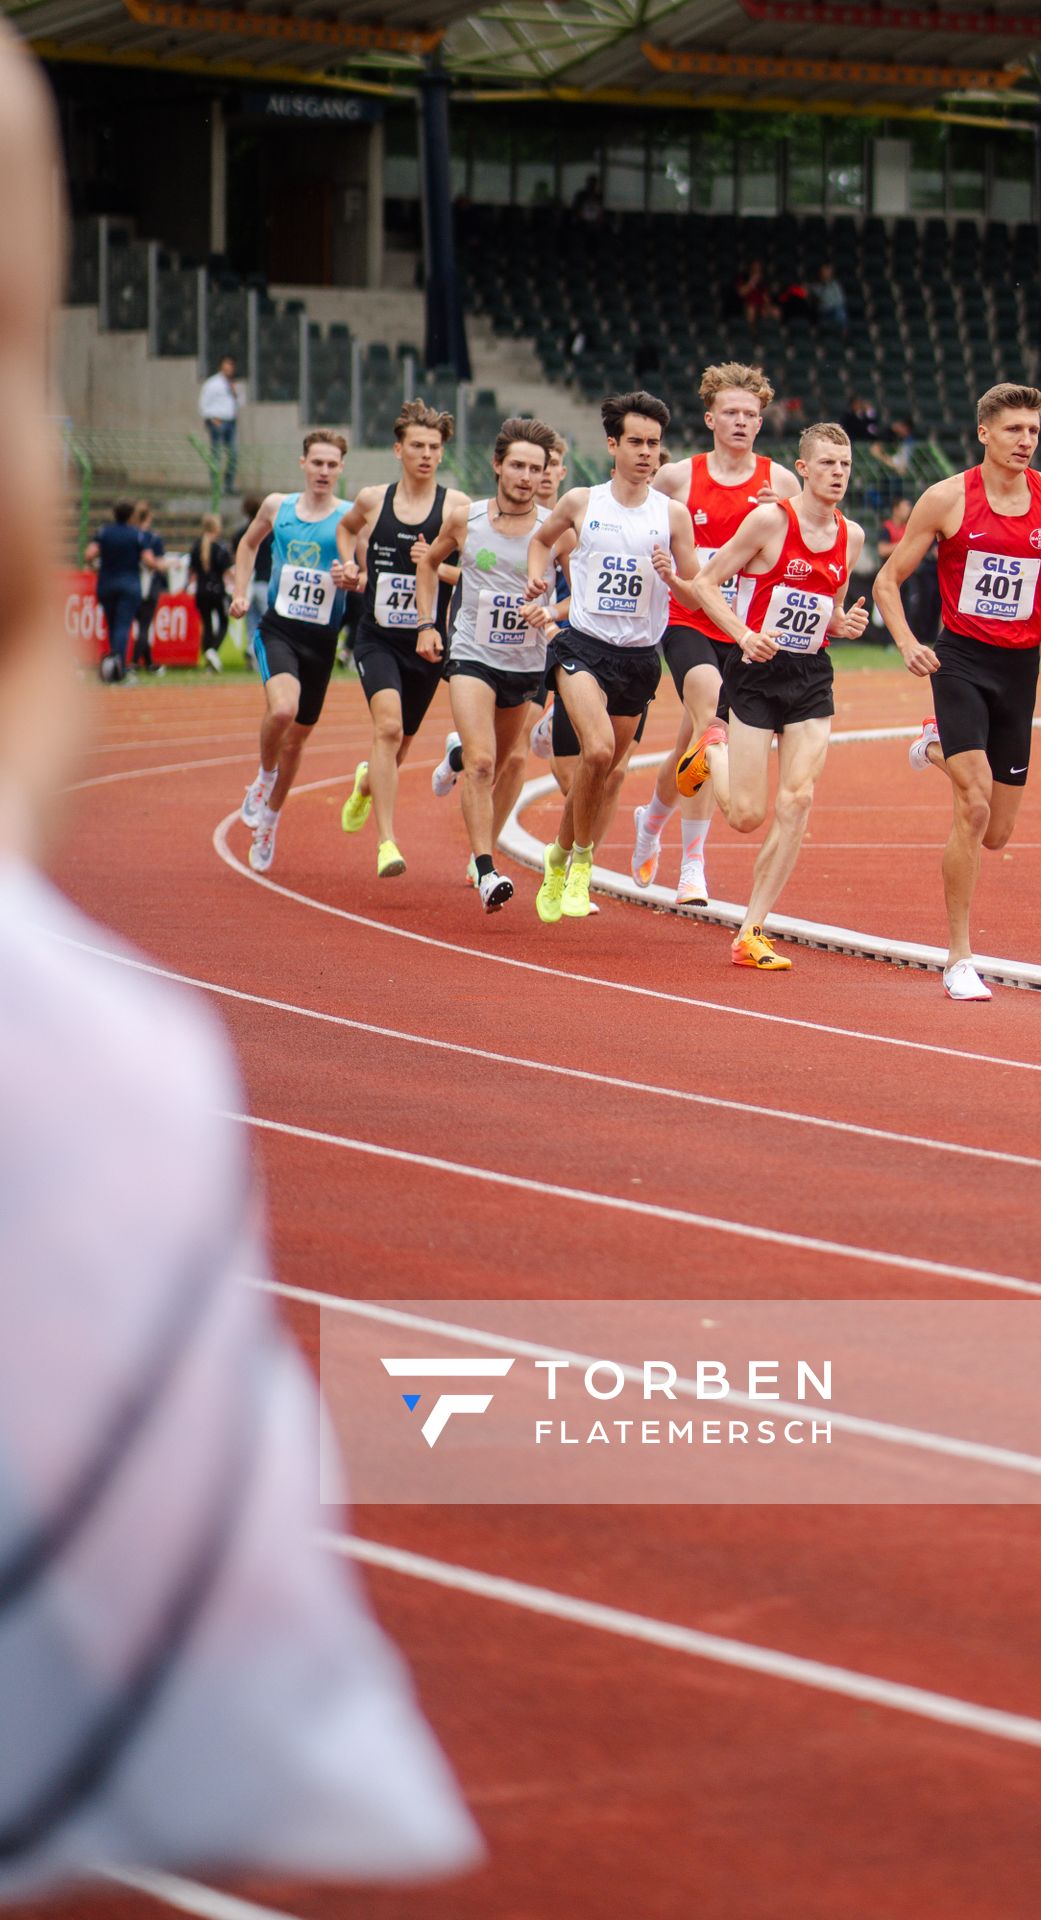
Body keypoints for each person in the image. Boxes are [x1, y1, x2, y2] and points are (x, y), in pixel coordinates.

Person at [0, 27, 482, 1900]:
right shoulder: (101, 1087)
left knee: (362, 726)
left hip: (393, 659)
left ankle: (354, 796)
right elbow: (297, 1781)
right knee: (284, 719)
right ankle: (299, 803)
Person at [872, 381, 1041, 1002]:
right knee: (973, 806)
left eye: (1034, 432)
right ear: (984, 433)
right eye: (1015, 430)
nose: (1027, 441)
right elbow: (888, 581)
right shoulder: (945, 499)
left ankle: (933, 746)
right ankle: (960, 957)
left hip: (1021, 670)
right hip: (960, 660)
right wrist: (910, 643)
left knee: (997, 832)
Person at [673, 423, 868, 971]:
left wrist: (843, 623)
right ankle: (712, 746)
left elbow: (827, 604)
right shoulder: (769, 520)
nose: (838, 474)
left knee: (798, 799)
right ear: (803, 468)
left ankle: (752, 930)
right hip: (755, 672)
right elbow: (707, 583)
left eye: (846, 465)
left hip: (810, 676)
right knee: (745, 816)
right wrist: (742, 635)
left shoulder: (850, 535)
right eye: (827, 464)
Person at [525, 389, 701, 922]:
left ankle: (556, 854)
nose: (646, 452)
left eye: (654, 443)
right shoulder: (582, 501)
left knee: (606, 771)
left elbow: (696, 588)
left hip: (639, 659)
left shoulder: (672, 516)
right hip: (582, 646)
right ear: (612, 445)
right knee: (597, 751)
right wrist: (537, 571)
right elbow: (542, 539)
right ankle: (582, 864)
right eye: (635, 442)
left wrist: (675, 577)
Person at [631, 362, 800, 906]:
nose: (741, 422)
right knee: (711, 727)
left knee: (689, 747)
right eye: (731, 413)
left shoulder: (781, 482)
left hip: (747, 631)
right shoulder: (679, 476)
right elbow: (636, 517)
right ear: (710, 418)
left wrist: (783, 521)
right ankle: (694, 866)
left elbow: (800, 549)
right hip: (687, 620)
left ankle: (652, 819)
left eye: (751, 415)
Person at [416, 418, 572, 914]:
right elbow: (428, 563)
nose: (527, 476)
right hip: (471, 654)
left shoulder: (555, 532)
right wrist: (426, 624)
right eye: (518, 466)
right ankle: (485, 870)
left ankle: (455, 757)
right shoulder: (467, 519)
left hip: (526, 664)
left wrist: (551, 610)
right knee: (486, 764)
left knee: (498, 762)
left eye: (537, 468)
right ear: (498, 465)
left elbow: (583, 596)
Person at [336, 400, 461, 879]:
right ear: (398, 449)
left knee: (400, 746)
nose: (426, 455)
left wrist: (434, 562)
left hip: (428, 645)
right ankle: (387, 843)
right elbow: (346, 530)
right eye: (417, 446)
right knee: (386, 730)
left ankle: (366, 783)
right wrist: (353, 565)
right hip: (378, 638)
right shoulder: (373, 499)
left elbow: (477, 569)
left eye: (434, 447)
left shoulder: (455, 508)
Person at [229, 430, 352, 874]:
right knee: (282, 710)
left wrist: (351, 578)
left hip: (323, 639)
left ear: (341, 469)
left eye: (332, 464)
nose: (323, 471)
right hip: (279, 628)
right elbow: (247, 543)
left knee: (297, 739)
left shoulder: (350, 516)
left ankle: (271, 820)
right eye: (316, 462)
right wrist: (241, 592)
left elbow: (363, 571)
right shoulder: (276, 507)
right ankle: (263, 779)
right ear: (303, 463)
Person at [84, 500, 161, 683]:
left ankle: (112, 665)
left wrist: (94, 566)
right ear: (131, 515)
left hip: (106, 584)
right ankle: (119, 668)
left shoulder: (104, 531)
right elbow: (149, 560)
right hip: (129, 584)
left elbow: (89, 554)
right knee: (123, 626)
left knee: (112, 625)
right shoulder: (136, 534)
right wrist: (158, 566)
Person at [188, 513, 233, 671]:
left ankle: (208, 657)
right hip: (217, 591)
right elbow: (227, 572)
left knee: (207, 625)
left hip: (200, 591)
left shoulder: (196, 546)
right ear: (216, 527)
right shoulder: (220, 547)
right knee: (224, 622)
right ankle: (212, 650)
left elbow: (191, 571)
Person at [232, 492, 273, 646]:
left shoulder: (240, 534)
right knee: (269, 620)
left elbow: (237, 557)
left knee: (252, 621)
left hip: (248, 582)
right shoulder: (270, 533)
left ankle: (251, 649)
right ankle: (269, 649)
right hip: (265, 579)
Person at [131, 502, 167, 674]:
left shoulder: (131, 534)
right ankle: (134, 662)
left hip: (131, 582)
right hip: (148, 585)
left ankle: (149, 662)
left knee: (140, 624)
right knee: (145, 625)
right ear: (148, 517)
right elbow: (156, 562)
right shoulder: (152, 538)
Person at [199, 354, 241, 490]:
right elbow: (204, 404)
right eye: (227, 364)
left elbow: (239, 403)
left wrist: (235, 393)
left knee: (233, 454)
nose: (229, 367)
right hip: (218, 422)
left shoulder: (233, 384)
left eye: (232, 365)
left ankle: (229, 485)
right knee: (216, 454)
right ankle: (216, 486)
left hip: (231, 422)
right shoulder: (212, 383)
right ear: (221, 366)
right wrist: (211, 419)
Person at [812, 263, 848, 333]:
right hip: (823, 310)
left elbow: (841, 299)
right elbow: (821, 299)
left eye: (828, 272)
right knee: (839, 310)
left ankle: (843, 333)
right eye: (825, 272)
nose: (827, 274)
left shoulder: (835, 284)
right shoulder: (816, 285)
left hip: (834, 308)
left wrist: (832, 304)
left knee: (840, 310)